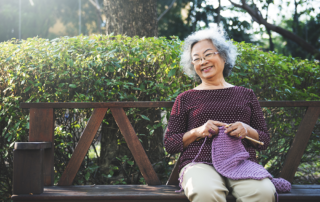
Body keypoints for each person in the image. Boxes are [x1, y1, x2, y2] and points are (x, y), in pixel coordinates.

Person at [164, 28, 276, 202]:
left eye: (208, 54)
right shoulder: (185, 98)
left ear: (223, 56)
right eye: (197, 59)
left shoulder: (246, 94)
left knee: (263, 192)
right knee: (205, 191)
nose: (203, 61)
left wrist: (246, 130)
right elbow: (170, 143)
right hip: (199, 164)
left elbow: (264, 140)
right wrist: (197, 132)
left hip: (241, 163)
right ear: (192, 65)